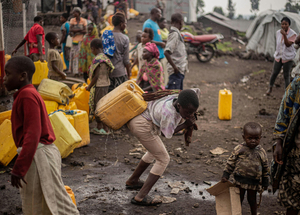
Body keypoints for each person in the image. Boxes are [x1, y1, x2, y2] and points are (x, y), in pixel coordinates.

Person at [3, 56, 79, 214]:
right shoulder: (28, 94)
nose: (4, 78)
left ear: (22, 76)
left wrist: (19, 167)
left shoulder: (27, 96)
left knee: (55, 204)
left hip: (39, 155)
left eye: (8, 74)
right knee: (42, 202)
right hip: (39, 154)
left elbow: (33, 133)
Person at [126, 89, 199, 206]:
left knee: (153, 152)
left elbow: (195, 91)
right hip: (142, 125)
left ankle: (132, 181)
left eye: (192, 112)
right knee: (163, 159)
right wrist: (186, 124)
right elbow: (167, 134)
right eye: (187, 112)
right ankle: (140, 197)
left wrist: (189, 114)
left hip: (142, 119)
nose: (190, 115)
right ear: (179, 106)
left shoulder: (178, 96)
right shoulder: (168, 113)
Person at [221, 122, 269, 215]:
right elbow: (231, 162)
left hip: (253, 182)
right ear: (244, 137)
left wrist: (265, 181)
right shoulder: (239, 149)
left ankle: (254, 213)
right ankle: (237, 213)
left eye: (256, 138)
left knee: (252, 200)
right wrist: (226, 174)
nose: (253, 141)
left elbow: (265, 167)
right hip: (239, 180)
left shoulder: (261, 152)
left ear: (260, 138)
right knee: (238, 199)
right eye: (250, 138)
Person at [273, 75, 300, 215]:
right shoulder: (298, 83)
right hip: (297, 154)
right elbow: (285, 111)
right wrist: (279, 141)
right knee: (293, 200)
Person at [86, 39, 114, 135]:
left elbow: (96, 75)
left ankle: (105, 128)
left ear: (93, 48)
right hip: (106, 84)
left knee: (99, 107)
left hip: (99, 85)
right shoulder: (105, 57)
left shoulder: (98, 59)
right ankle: (100, 126)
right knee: (103, 105)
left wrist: (89, 86)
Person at [266, 17, 296, 95]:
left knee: (286, 75)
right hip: (279, 56)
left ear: (289, 25)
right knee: (274, 73)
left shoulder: (293, 34)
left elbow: (288, 44)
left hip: (288, 58)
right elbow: (279, 45)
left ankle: (286, 93)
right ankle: (270, 88)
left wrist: (285, 35)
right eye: (282, 24)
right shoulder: (278, 32)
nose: (284, 26)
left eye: (286, 24)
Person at [102, 12, 131, 92]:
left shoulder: (105, 36)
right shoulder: (124, 38)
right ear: (121, 24)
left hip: (106, 73)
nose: (125, 25)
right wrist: (129, 75)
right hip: (119, 73)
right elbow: (126, 60)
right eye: (125, 23)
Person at [164, 13, 187, 90]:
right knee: (174, 97)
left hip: (178, 71)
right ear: (180, 22)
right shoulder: (174, 34)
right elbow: (166, 52)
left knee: (178, 96)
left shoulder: (176, 33)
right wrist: (174, 67)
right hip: (176, 72)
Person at [70, 7, 87, 75]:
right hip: (74, 41)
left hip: (81, 41)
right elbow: (71, 30)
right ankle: (75, 71)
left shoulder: (83, 20)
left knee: (81, 56)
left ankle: (80, 71)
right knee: (74, 56)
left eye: (75, 12)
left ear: (79, 13)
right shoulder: (72, 20)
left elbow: (85, 30)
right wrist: (80, 30)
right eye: (73, 12)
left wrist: (76, 31)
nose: (74, 14)